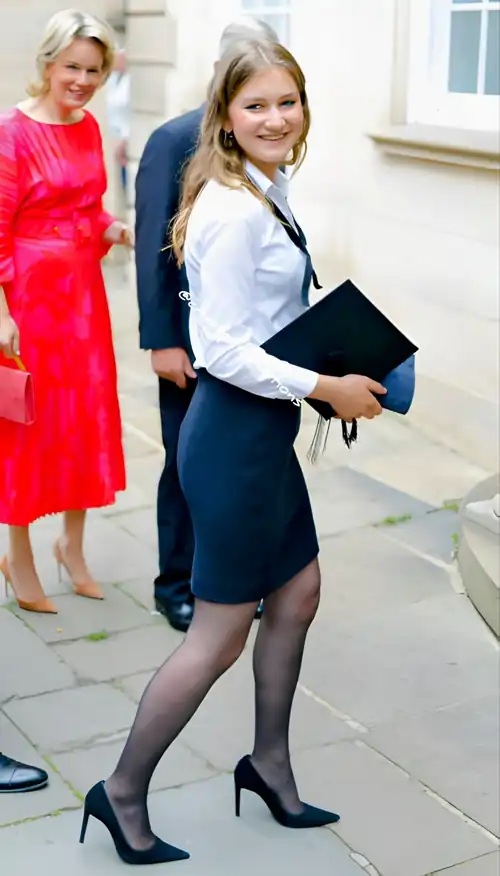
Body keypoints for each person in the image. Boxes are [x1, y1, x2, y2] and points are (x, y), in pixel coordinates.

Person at [80, 38, 385, 865]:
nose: (275, 117)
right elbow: (223, 350)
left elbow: (261, 321)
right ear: (225, 115)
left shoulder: (268, 185)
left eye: (287, 101)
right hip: (234, 438)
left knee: (299, 591)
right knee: (218, 635)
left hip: (261, 435)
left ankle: (269, 764)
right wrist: (330, 389)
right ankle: (122, 793)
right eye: (256, 105)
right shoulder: (231, 205)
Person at [135, 16, 279, 632]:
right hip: (190, 344)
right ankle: (176, 584)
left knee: (243, 471)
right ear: (220, 71)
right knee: (184, 464)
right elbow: (152, 247)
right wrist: (162, 338)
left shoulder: (261, 142)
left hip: (250, 344)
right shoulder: (172, 139)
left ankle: (237, 575)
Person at [0, 9, 132, 614]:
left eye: (93, 70)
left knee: (84, 418)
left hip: (83, 297)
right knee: (26, 423)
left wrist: (114, 228)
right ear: (48, 64)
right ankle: (18, 553)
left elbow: (88, 210)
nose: (81, 80)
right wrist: (2, 315)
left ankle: (72, 548)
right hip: (28, 297)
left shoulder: (87, 127)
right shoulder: (12, 133)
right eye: (72, 66)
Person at [106, 48, 130, 198]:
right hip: (113, 137)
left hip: (125, 138)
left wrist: (125, 139)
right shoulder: (112, 79)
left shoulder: (130, 81)